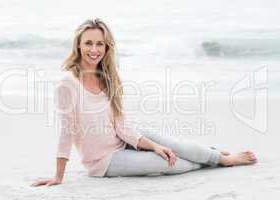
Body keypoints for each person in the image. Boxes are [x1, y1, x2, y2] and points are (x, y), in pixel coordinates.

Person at [31, 18, 257, 187]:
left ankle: (218, 156)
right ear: (78, 46)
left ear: (106, 47)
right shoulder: (67, 84)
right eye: (88, 43)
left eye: (100, 44)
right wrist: (58, 176)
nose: (94, 50)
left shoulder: (109, 77)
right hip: (104, 160)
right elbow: (66, 132)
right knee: (172, 165)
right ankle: (214, 159)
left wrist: (154, 145)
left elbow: (121, 125)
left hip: (125, 137)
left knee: (174, 146)